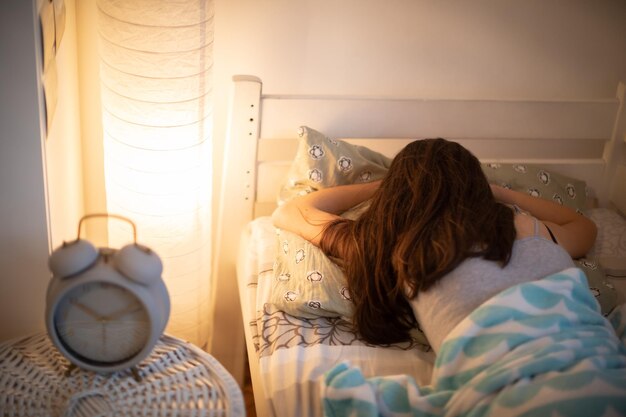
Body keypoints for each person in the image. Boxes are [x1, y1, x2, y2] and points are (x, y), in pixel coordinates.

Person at [271, 138, 597, 351]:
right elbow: (583, 228)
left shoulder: (384, 244)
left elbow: (292, 211)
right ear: (475, 188)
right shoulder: (515, 226)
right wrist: (501, 191)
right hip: (579, 342)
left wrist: (384, 186)